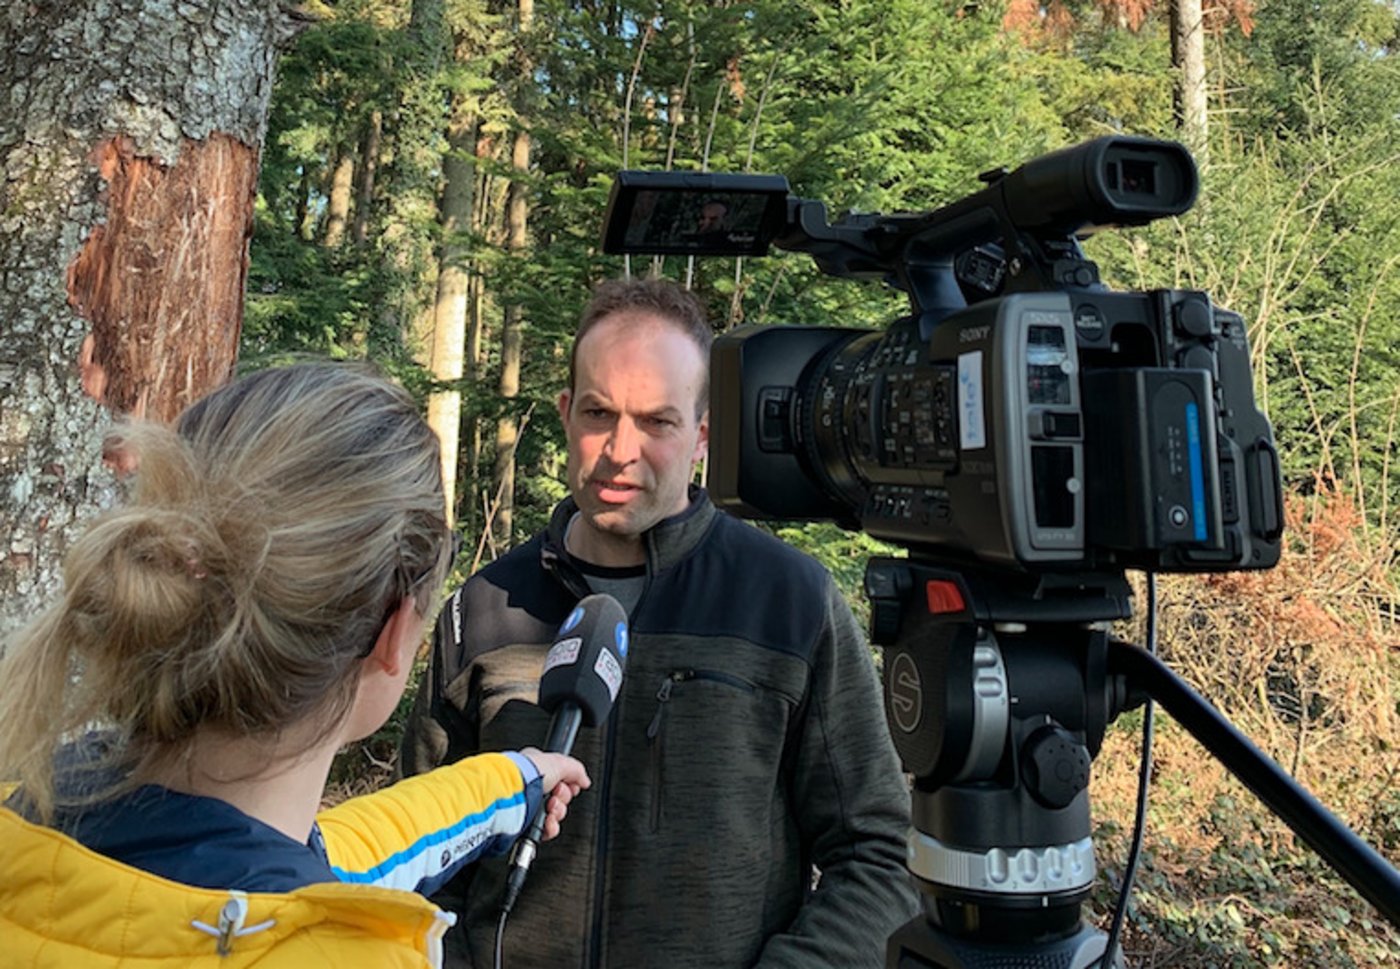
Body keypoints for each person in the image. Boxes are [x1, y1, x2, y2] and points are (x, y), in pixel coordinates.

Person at [0, 362, 590, 968]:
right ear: (392, 630)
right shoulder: (346, 954)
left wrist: (512, 785)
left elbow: (344, 853)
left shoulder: (23, 822)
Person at [403, 277, 918, 968]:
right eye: (598, 413)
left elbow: (879, 854)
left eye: (656, 422)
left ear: (702, 433)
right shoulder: (486, 607)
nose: (620, 449)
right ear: (564, 413)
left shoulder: (790, 600)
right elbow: (419, 849)